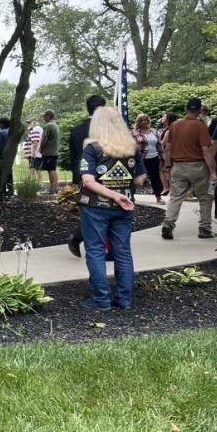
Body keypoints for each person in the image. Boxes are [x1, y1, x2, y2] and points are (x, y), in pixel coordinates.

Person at [77, 106, 147, 310]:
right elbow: (140, 179)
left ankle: (101, 300)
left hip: (94, 207)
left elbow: (88, 181)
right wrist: (121, 191)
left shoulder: (92, 148)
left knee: (96, 251)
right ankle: (124, 299)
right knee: (123, 251)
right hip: (124, 207)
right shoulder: (131, 148)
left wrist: (112, 194)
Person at [162, 97, 217, 240]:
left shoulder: (174, 125)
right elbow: (205, 150)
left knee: (176, 197)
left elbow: (168, 147)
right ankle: (204, 228)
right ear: (199, 110)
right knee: (204, 197)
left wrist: (168, 165)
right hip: (197, 166)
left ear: (186, 109)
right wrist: (213, 170)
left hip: (178, 166)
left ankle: (168, 223)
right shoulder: (200, 126)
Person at [67, 94, 107, 257]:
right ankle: (79, 237)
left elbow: (73, 156)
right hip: (102, 174)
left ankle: (80, 238)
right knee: (103, 211)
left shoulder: (76, 130)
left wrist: (76, 178)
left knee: (93, 211)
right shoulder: (105, 130)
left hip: (82, 175)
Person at [132, 113, 165, 204]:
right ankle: (132, 197)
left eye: (146, 119)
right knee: (136, 177)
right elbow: (131, 146)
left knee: (155, 178)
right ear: (138, 122)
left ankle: (158, 197)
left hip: (154, 157)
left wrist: (162, 156)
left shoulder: (154, 131)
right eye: (142, 120)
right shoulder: (135, 132)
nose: (144, 121)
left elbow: (159, 145)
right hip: (141, 159)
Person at [40, 110, 60, 194]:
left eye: (44, 116)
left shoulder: (48, 126)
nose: (43, 117)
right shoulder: (55, 125)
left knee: (50, 170)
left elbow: (45, 139)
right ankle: (55, 188)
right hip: (55, 151)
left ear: (49, 116)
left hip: (49, 152)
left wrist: (41, 148)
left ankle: (52, 189)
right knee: (53, 169)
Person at [158, 112, 179, 195]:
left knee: (168, 170)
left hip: (167, 152)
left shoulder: (169, 130)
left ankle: (170, 189)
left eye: (164, 117)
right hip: (165, 152)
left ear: (168, 119)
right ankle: (166, 188)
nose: (162, 118)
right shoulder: (166, 129)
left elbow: (163, 143)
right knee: (163, 171)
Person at [0, 117, 14, 196]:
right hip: (10, 154)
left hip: (2, 154)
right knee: (9, 171)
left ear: (2, 124)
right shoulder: (12, 131)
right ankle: (11, 188)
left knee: (1, 171)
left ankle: (2, 188)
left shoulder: (1, 132)